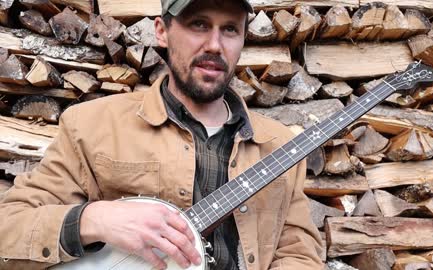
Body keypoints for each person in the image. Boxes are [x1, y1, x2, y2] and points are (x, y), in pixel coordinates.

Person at [0, 0, 325, 269]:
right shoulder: (91, 125)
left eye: (230, 29)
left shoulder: (280, 144)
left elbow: (299, 253)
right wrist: (94, 219)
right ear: (162, 32)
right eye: (198, 24)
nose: (214, 44)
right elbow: (8, 229)